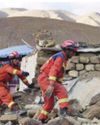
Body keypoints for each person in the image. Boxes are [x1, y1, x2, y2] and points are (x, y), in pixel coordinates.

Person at [37, 40, 79, 123]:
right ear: (67, 50)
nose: (74, 53)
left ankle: (41, 119)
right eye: (72, 51)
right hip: (46, 79)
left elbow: (57, 72)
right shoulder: (60, 57)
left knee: (49, 103)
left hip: (44, 79)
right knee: (62, 91)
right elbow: (54, 70)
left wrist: (58, 82)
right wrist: (52, 85)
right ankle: (63, 112)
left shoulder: (62, 57)